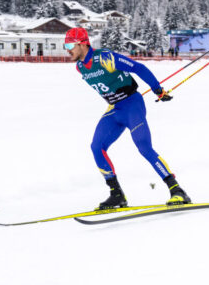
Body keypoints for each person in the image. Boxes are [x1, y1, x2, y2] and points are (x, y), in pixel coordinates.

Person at [64, 27, 191, 210]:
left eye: (69, 44)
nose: (67, 49)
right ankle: (117, 195)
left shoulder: (105, 58)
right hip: (115, 109)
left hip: (132, 105)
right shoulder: (80, 67)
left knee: (144, 147)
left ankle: (177, 190)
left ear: (82, 44)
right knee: (97, 147)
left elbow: (138, 68)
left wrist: (158, 90)